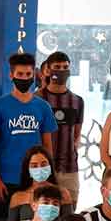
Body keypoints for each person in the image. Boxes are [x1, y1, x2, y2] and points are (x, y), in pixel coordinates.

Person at [0, 52, 57, 221]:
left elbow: (48, 148)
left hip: (34, 178)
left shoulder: (43, 107)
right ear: (11, 75)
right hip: (6, 178)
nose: (24, 78)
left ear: (34, 75)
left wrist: (47, 178)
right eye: (20, 74)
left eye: (28, 74)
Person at [36, 51, 84, 204]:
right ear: (48, 70)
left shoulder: (77, 101)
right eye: (57, 67)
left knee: (69, 212)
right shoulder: (36, 99)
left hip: (69, 167)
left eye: (65, 67)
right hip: (41, 168)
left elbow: (77, 134)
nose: (62, 70)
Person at [6, 146, 74, 221]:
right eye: (34, 166)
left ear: (50, 166)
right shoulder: (18, 197)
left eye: (44, 164)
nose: (39, 168)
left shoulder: (63, 193)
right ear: (28, 170)